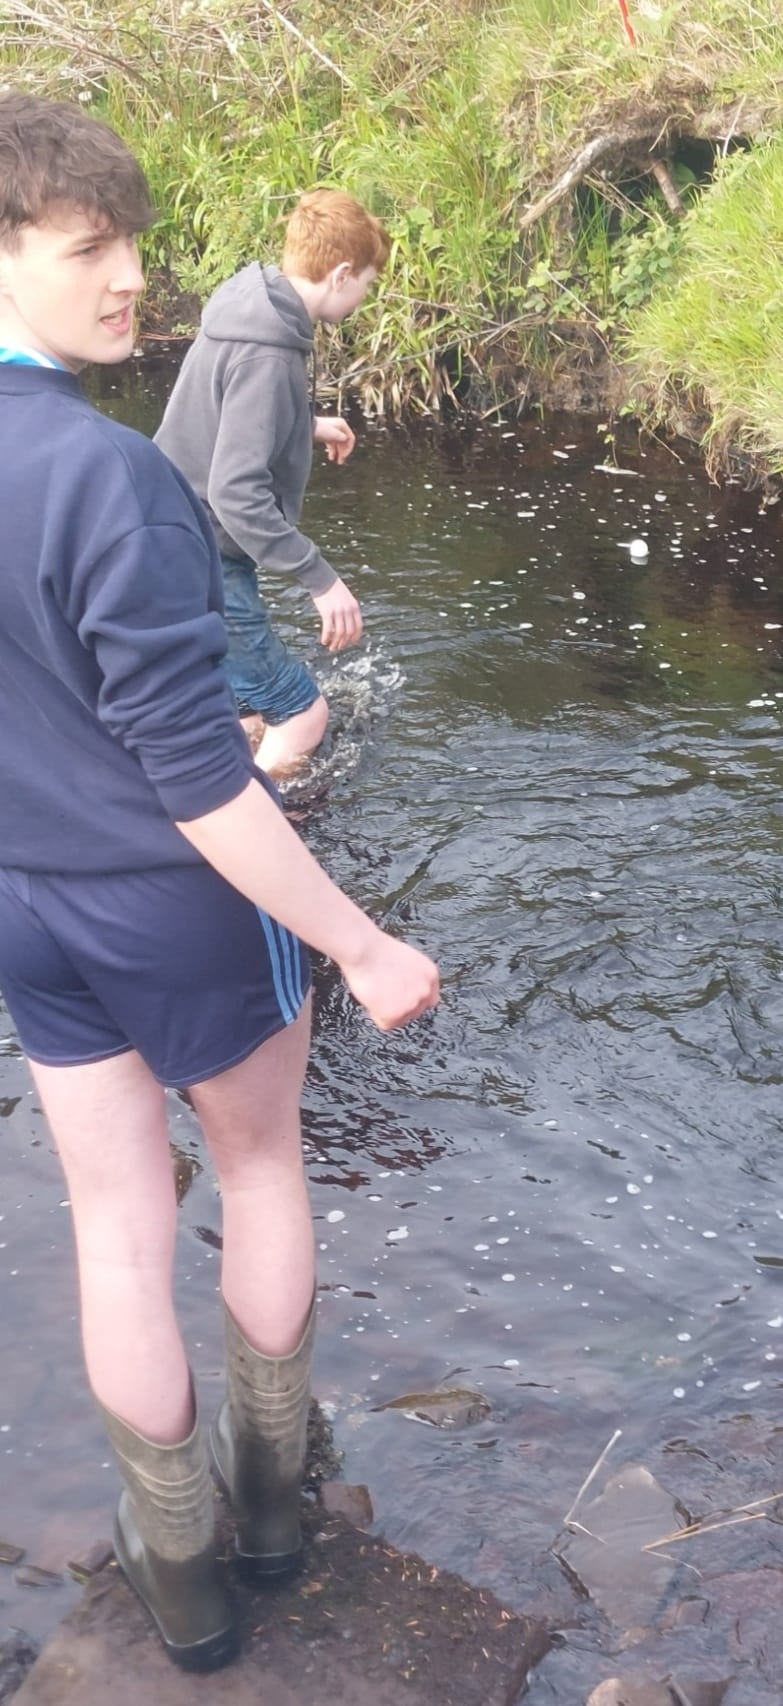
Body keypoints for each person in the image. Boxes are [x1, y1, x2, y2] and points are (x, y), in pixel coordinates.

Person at [0, 93, 438, 1674]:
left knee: (118, 1223)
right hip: (177, 896)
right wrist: (360, 940)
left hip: (27, 903)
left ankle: (174, 1574)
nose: (129, 276)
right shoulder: (108, 474)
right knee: (254, 1171)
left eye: (130, 241)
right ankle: (264, 1512)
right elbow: (198, 780)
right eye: (84, 249)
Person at [154, 189, 390, 777]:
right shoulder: (270, 355)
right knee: (303, 715)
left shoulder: (249, 306)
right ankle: (268, 824)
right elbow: (235, 493)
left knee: (247, 715)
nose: (365, 296)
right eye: (367, 283)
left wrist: (303, 425)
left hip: (173, 532)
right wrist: (321, 579)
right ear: (340, 275)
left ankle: (214, 797)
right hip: (202, 550)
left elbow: (224, 415)